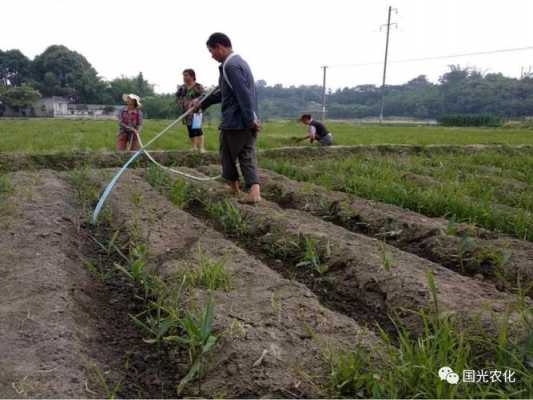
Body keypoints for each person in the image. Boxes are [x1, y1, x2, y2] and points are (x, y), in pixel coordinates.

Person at [192, 32, 262, 203]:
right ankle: (241, 189)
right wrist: (202, 103)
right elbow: (224, 93)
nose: (211, 55)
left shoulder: (231, 66)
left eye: (211, 51)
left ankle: (248, 192)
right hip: (241, 120)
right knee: (237, 154)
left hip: (236, 121)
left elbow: (243, 94)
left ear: (220, 47)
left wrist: (249, 120)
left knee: (235, 155)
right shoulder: (237, 63)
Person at [176, 69, 206, 152]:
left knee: (197, 128)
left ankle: (201, 148)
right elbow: (178, 97)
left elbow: (204, 96)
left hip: (196, 111)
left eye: (186, 75)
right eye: (184, 75)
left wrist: (196, 100)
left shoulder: (198, 86)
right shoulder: (182, 88)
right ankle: (194, 147)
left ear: (192, 76)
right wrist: (181, 103)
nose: (184, 77)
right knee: (190, 129)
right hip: (186, 112)